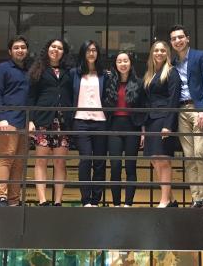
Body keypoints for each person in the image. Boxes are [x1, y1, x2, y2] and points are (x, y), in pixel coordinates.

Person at [169, 24, 203, 208]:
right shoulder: (172, 62)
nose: (177, 41)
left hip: (198, 108)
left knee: (201, 152)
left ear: (187, 38)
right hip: (181, 111)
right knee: (189, 155)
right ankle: (197, 198)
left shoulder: (200, 56)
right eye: (174, 39)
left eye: (180, 37)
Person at [28, 39, 73, 207]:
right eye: (53, 47)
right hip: (43, 119)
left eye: (60, 48)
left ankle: (58, 201)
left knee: (60, 161)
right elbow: (31, 97)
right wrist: (30, 120)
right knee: (41, 160)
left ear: (64, 52)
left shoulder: (69, 71)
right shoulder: (38, 69)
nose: (56, 50)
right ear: (47, 49)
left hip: (63, 120)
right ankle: (42, 200)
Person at [0, 35, 33, 207]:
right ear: (10, 51)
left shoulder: (30, 70)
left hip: (25, 121)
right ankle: (0, 198)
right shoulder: (2, 69)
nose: (20, 50)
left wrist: (32, 120)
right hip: (8, 120)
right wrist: (1, 117)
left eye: (22, 47)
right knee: (6, 158)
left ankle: (13, 200)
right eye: (16, 47)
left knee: (19, 162)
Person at [103, 51, 146, 207]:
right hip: (113, 127)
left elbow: (143, 108)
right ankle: (116, 204)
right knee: (115, 166)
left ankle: (128, 203)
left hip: (132, 127)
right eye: (119, 61)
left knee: (130, 166)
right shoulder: (109, 82)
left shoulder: (139, 83)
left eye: (125, 61)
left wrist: (143, 131)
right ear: (115, 64)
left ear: (131, 63)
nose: (123, 64)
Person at [143, 41, 181, 208]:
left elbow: (174, 100)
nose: (159, 53)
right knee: (155, 160)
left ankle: (164, 199)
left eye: (162, 50)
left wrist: (168, 125)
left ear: (167, 54)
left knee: (163, 160)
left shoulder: (172, 72)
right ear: (152, 53)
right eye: (156, 50)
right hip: (151, 120)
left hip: (164, 120)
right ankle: (171, 199)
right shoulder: (150, 74)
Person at [70, 40, 108, 207]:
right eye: (88, 50)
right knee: (85, 159)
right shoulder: (74, 74)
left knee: (99, 162)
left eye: (94, 50)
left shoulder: (105, 75)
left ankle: (96, 200)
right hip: (81, 121)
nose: (91, 53)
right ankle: (86, 200)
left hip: (101, 121)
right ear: (83, 53)